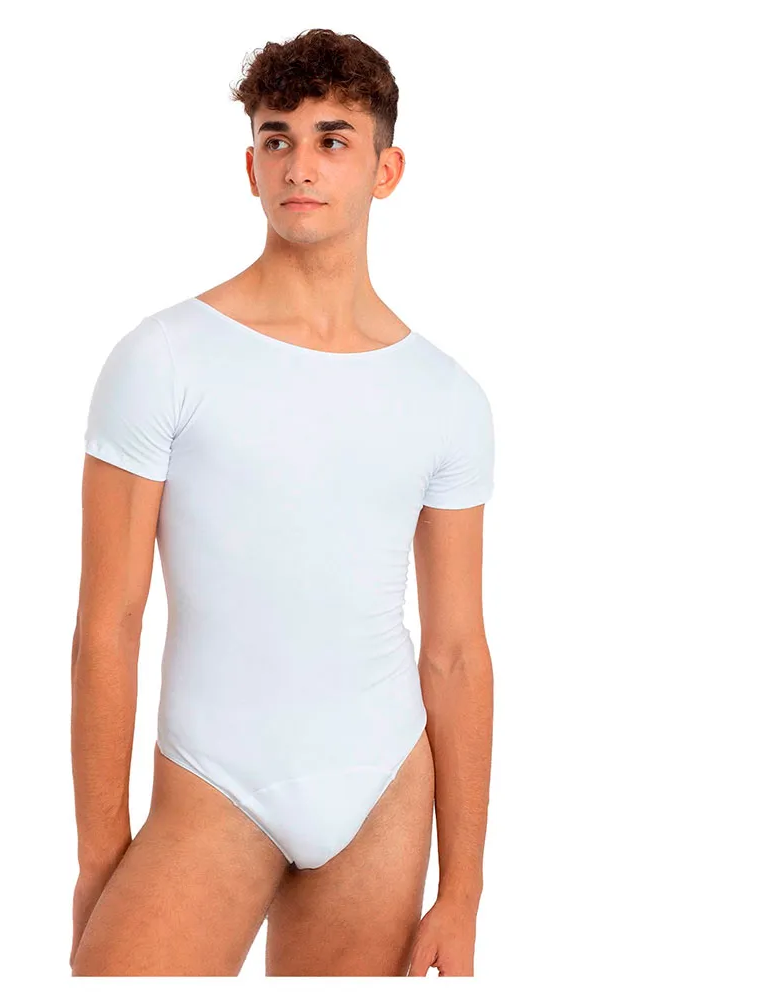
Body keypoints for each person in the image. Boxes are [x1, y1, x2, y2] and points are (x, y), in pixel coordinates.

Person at [69, 28, 495, 977]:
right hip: (210, 782)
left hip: (382, 782)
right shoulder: (163, 359)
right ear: (251, 166)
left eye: (332, 140)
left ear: (386, 170)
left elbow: (458, 650)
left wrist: (463, 889)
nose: (300, 165)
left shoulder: (446, 397)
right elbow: (108, 622)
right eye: (277, 138)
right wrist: (100, 860)